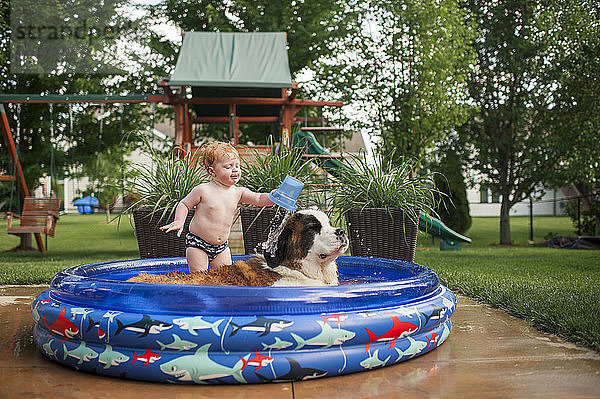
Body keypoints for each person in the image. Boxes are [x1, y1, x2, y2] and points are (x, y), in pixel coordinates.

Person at [160, 142, 274, 272]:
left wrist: (273, 197)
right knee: (199, 278)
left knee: (226, 278)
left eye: (237, 165)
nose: (235, 169)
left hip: (221, 248)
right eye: (228, 167)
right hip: (198, 244)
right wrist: (179, 221)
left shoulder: (239, 192)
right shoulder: (203, 190)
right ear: (212, 171)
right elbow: (184, 204)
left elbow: (259, 199)